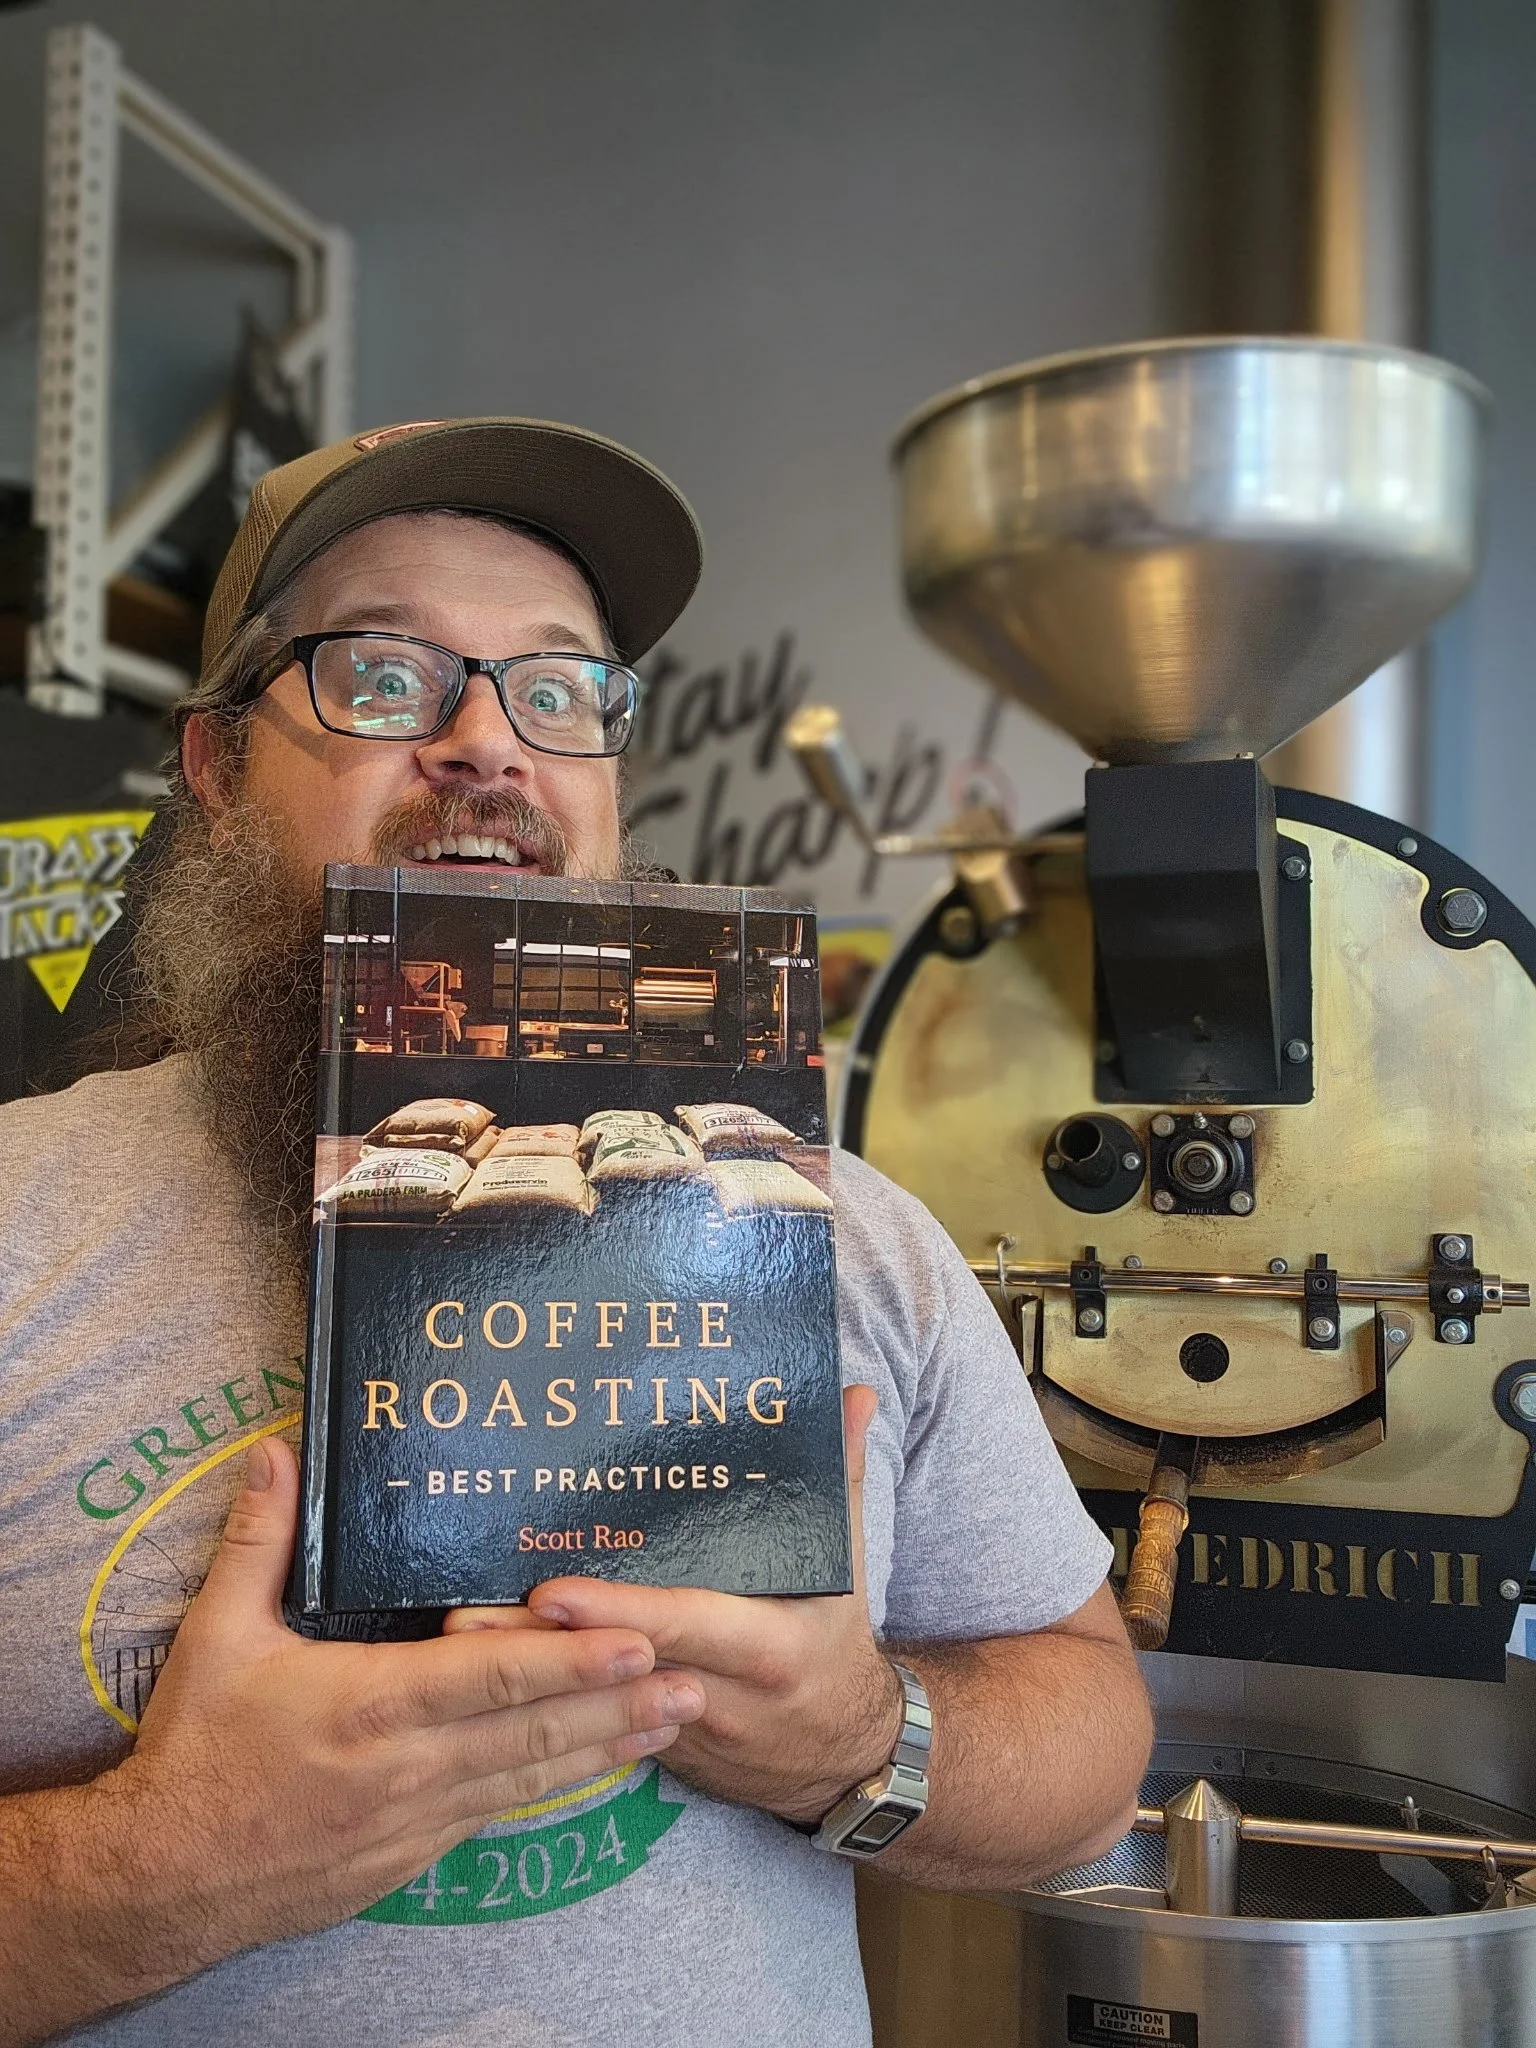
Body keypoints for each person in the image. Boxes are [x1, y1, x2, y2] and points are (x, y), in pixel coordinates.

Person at [0, 418, 1152, 2047]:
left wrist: (855, 1738)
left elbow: (1091, 1743)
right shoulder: (18, 1223)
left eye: (557, 688)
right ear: (213, 769)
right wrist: (166, 1858)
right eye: (386, 676)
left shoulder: (851, 1235)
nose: (489, 744)